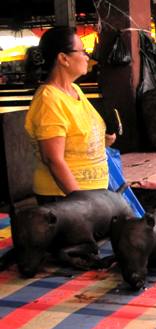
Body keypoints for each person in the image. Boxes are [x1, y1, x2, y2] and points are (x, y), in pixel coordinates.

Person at [24, 26, 114, 205]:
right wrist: (82, 203)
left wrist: (102, 141)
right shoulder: (49, 100)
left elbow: (74, 140)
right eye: (83, 51)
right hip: (64, 200)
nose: (87, 57)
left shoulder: (75, 90)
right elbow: (53, 159)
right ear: (63, 58)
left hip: (89, 195)